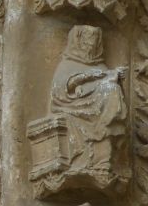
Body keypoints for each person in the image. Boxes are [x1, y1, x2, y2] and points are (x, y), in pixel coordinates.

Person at [49, 25, 127, 178]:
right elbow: (59, 90)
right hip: (72, 105)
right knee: (107, 94)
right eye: (87, 42)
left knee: (112, 90)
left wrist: (115, 77)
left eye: (94, 42)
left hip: (98, 107)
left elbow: (106, 84)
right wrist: (84, 78)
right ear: (78, 42)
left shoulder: (100, 65)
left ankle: (102, 159)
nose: (91, 46)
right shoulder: (67, 64)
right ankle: (83, 160)